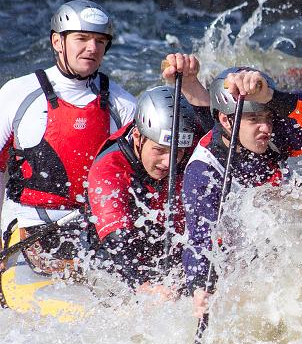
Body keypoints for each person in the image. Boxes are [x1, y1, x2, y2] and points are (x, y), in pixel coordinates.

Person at [0, 0, 136, 275]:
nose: (92, 48)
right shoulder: (18, 93)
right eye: (82, 38)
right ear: (57, 42)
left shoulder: (123, 104)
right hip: (31, 227)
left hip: (96, 231)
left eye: (100, 41)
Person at [182, 67, 302, 316]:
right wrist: (200, 287)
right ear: (224, 120)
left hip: (276, 234)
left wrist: (271, 97)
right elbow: (199, 240)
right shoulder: (203, 170)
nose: (265, 128)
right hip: (239, 262)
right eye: (254, 120)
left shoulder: (270, 134)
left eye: (268, 117)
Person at [86, 54, 212, 295]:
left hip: (173, 252)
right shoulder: (109, 169)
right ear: (137, 137)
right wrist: (146, 289)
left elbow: (216, 135)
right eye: (158, 150)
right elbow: (117, 244)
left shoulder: (183, 142)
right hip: (119, 263)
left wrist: (191, 83)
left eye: (177, 152)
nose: (168, 162)